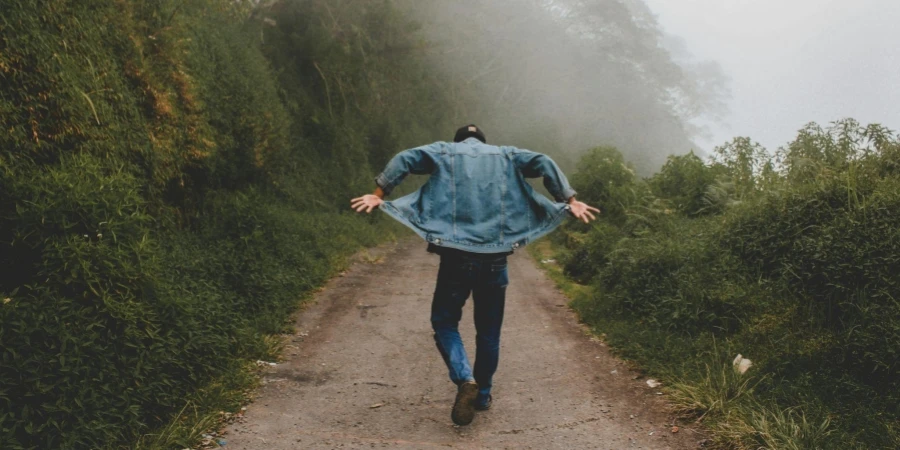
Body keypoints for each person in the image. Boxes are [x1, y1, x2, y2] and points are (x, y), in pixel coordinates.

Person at [350, 124, 599, 426]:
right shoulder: (506, 155)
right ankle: (481, 396)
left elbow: (405, 159)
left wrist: (379, 194)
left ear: (460, 141)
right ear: (484, 141)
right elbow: (544, 161)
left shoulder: (444, 151)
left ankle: (464, 377)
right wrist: (569, 199)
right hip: (495, 260)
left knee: (444, 322)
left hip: (455, 258)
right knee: (489, 333)